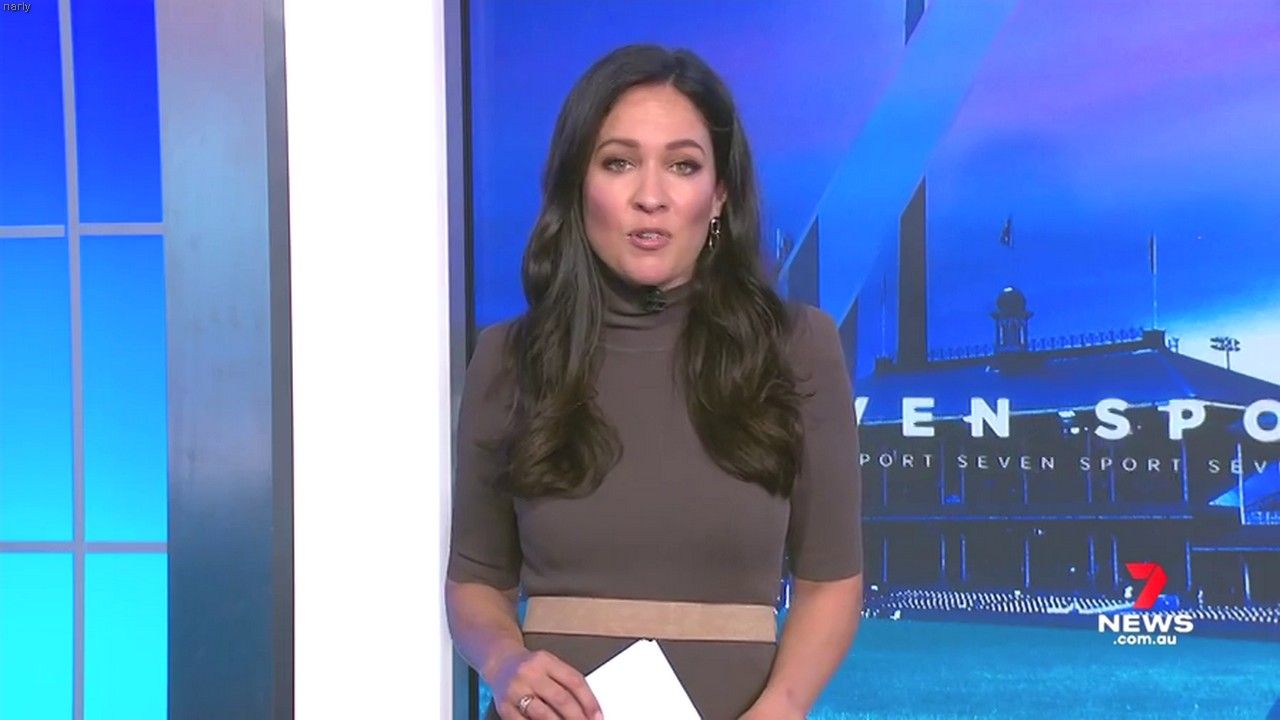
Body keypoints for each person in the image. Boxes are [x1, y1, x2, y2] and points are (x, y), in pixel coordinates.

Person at [446, 44, 863, 720]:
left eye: (682, 165)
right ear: (578, 184)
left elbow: (831, 582)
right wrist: (503, 661)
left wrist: (783, 706)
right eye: (618, 163)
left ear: (719, 194)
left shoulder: (798, 348)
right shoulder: (509, 358)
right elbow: (475, 583)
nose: (650, 196)